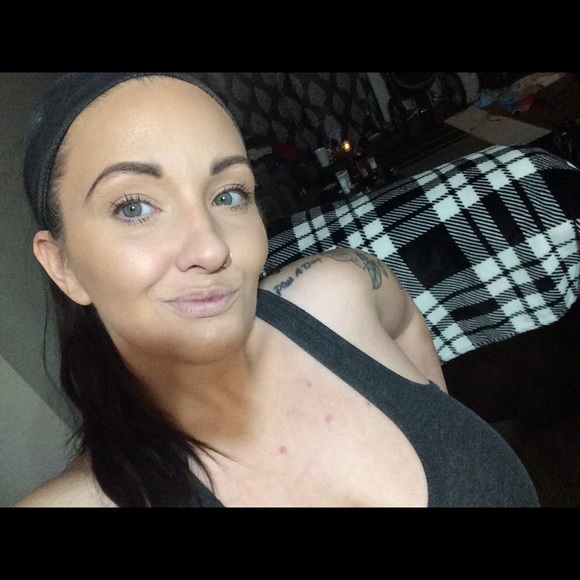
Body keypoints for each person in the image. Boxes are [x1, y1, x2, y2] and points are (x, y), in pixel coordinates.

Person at [13, 72, 539, 507]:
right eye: (134, 207)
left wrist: (443, 431)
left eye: (229, 194)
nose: (212, 248)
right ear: (63, 266)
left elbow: (404, 324)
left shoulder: (340, 289)